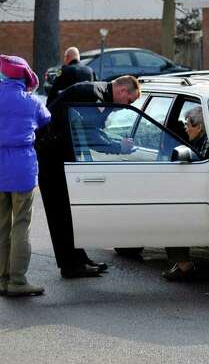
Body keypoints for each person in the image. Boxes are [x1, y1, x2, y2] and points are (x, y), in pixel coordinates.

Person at [38, 76, 141, 279]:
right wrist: (118, 147)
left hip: (58, 156)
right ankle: (70, 265)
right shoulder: (93, 95)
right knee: (61, 214)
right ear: (122, 90)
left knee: (69, 214)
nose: (126, 106)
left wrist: (116, 142)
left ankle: (79, 259)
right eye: (129, 101)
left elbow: (93, 130)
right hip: (52, 157)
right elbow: (90, 135)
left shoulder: (98, 94)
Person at [0, 56, 51, 297]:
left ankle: (1, 279)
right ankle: (17, 281)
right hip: (22, 167)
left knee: (1, 225)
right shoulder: (32, 101)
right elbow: (46, 119)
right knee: (21, 223)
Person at [162, 106, 209, 282]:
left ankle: (183, 265)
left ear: (199, 127)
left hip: (205, 198)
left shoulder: (207, 145)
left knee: (171, 216)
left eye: (188, 125)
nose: (186, 128)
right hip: (204, 195)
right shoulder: (203, 141)